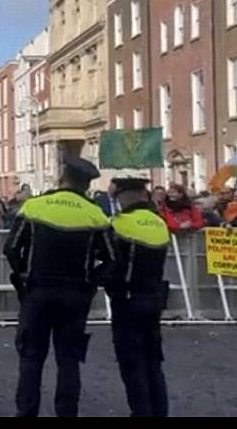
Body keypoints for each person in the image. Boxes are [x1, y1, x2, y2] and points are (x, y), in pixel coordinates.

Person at [4, 155, 114, 417]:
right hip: (76, 295)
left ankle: (27, 412)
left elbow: (11, 247)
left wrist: (22, 273)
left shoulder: (34, 206)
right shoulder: (95, 214)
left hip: (38, 291)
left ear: (62, 176)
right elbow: (111, 257)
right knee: (69, 359)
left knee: (31, 358)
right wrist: (92, 281)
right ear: (87, 184)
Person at [104, 178, 171, 417]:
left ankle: (141, 412)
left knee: (132, 363)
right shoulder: (159, 223)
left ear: (125, 196)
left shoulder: (120, 225)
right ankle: (160, 411)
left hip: (127, 299)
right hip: (154, 297)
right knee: (153, 361)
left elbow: (109, 260)